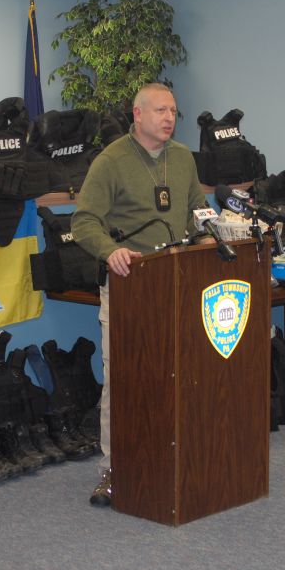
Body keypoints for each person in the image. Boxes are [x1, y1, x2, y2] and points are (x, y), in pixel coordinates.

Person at [71, 82, 209, 508]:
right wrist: (111, 252)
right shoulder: (111, 160)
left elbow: (197, 213)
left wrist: (210, 238)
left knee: (184, 373)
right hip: (131, 284)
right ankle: (114, 471)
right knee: (123, 381)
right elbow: (83, 221)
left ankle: (181, 460)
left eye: (173, 111)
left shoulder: (183, 158)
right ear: (138, 114)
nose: (169, 118)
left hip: (180, 283)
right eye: (160, 110)